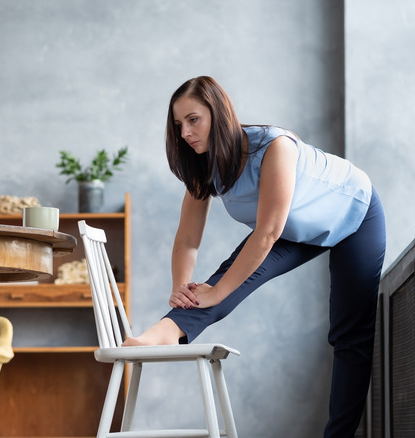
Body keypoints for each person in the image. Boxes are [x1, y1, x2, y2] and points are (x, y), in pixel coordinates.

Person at [123, 76, 386, 437]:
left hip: (353, 212)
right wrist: (181, 288)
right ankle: (161, 334)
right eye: (178, 125)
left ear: (218, 113)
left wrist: (217, 292)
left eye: (193, 119)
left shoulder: (274, 146)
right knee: (222, 279)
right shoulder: (204, 167)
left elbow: (266, 233)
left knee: (349, 334)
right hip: (293, 228)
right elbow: (187, 239)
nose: (185, 132)